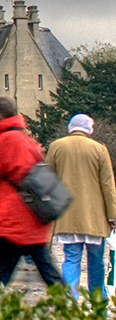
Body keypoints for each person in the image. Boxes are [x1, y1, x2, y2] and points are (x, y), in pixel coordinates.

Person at [0, 94, 65, 290]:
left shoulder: (8, 139)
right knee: (46, 269)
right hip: (29, 218)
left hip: (14, 219)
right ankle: (68, 304)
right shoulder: (23, 137)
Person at [46, 112, 116, 301]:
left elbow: (47, 180)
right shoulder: (99, 149)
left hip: (67, 214)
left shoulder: (56, 147)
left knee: (71, 259)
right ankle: (98, 301)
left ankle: (70, 302)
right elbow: (108, 185)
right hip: (95, 217)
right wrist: (112, 215)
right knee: (96, 262)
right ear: (89, 129)